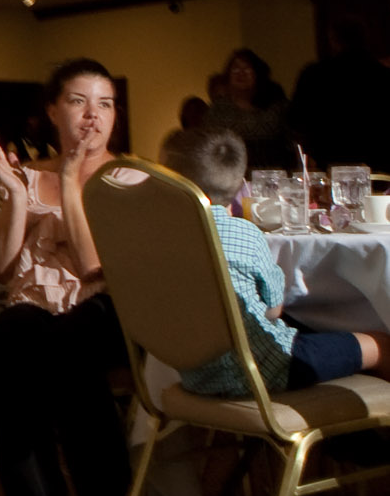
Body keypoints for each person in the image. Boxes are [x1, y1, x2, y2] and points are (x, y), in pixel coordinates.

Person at [0, 58, 139, 496]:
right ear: (53, 110)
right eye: (78, 101)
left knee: (59, 351)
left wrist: (69, 181)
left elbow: (94, 266)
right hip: (35, 314)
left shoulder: (130, 179)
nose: (93, 115)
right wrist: (17, 195)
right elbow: (2, 267)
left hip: (103, 310)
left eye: (106, 103)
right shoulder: (26, 174)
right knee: (11, 333)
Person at [159, 127, 390, 396]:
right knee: (381, 344)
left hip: (195, 377)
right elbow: (273, 310)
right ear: (239, 184)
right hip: (268, 371)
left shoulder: (159, 237)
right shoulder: (246, 234)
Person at [290, 18, 390, 173]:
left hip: (328, 158)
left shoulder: (315, 74)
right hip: (378, 161)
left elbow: (297, 119)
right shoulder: (383, 75)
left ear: (333, 40)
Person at [202, 47, 293, 170]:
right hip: (231, 175)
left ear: (257, 73)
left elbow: (292, 141)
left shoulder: (276, 106)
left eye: (247, 68)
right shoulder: (218, 110)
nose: (241, 73)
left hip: (274, 174)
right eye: (235, 68)